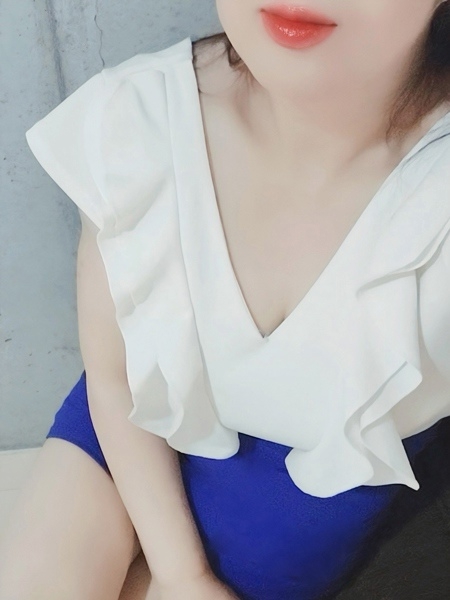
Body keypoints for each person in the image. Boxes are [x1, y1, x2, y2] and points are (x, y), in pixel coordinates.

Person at [1, 1, 450, 599]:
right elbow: (114, 381)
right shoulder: (136, 116)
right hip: (129, 436)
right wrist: (179, 571)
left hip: (293, 513)